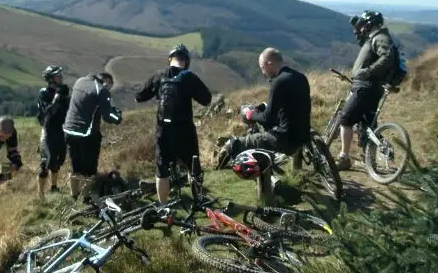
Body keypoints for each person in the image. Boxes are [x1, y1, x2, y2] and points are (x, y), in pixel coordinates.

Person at [135, 44, 212, 204]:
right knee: (193, 165)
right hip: (185, 130)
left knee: (162, 170)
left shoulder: (158, 76)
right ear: (186, 61)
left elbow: (139, 96)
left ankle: (163, 207)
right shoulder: (190, 77)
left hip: (163, 131)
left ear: (170, 59)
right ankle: (198, 200)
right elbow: (207, 99)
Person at [217, 47, 311, 170]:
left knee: (238, 143)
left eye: (262, 67)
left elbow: (267, 118)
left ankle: (219, 167)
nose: (263, 72)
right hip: (303, 135)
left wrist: (251, 115)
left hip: (285, 140)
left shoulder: (278, 82)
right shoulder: (300, 77)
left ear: (269, 63)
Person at [335, 10, 397, 171]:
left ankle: (344, 158)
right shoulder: (373, 38)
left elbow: (387, 57)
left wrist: (369, 71)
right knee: (367, 125)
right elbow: (364, 45)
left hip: (366, 87)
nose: (362, 28)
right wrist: (356, 28)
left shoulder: (381, 37)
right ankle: (369, 160)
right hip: (370, 87)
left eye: (364, 24)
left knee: (346, 119)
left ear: (370, 23)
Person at [62, 72, 122, 201]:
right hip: (87, 133)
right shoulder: (101, 90)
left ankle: (73, 196)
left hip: (69, 130)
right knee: (89, 170)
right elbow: (108, 116)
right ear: (106, 81)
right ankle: (86, 199)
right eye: (110, 85)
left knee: (75, 166)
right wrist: (118, 117)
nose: (109, 89)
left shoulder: (80, 81)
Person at [36, 65, 70, 199]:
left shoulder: (63, 90)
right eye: (58, 75)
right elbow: (48, 113)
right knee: (46, 162)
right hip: (48, 130)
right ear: (50, 79)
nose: (61, 77)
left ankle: (54, 188)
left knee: (58, 160)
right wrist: (57, 98)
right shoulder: (44, 93)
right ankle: (40, 194)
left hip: (61, 130)